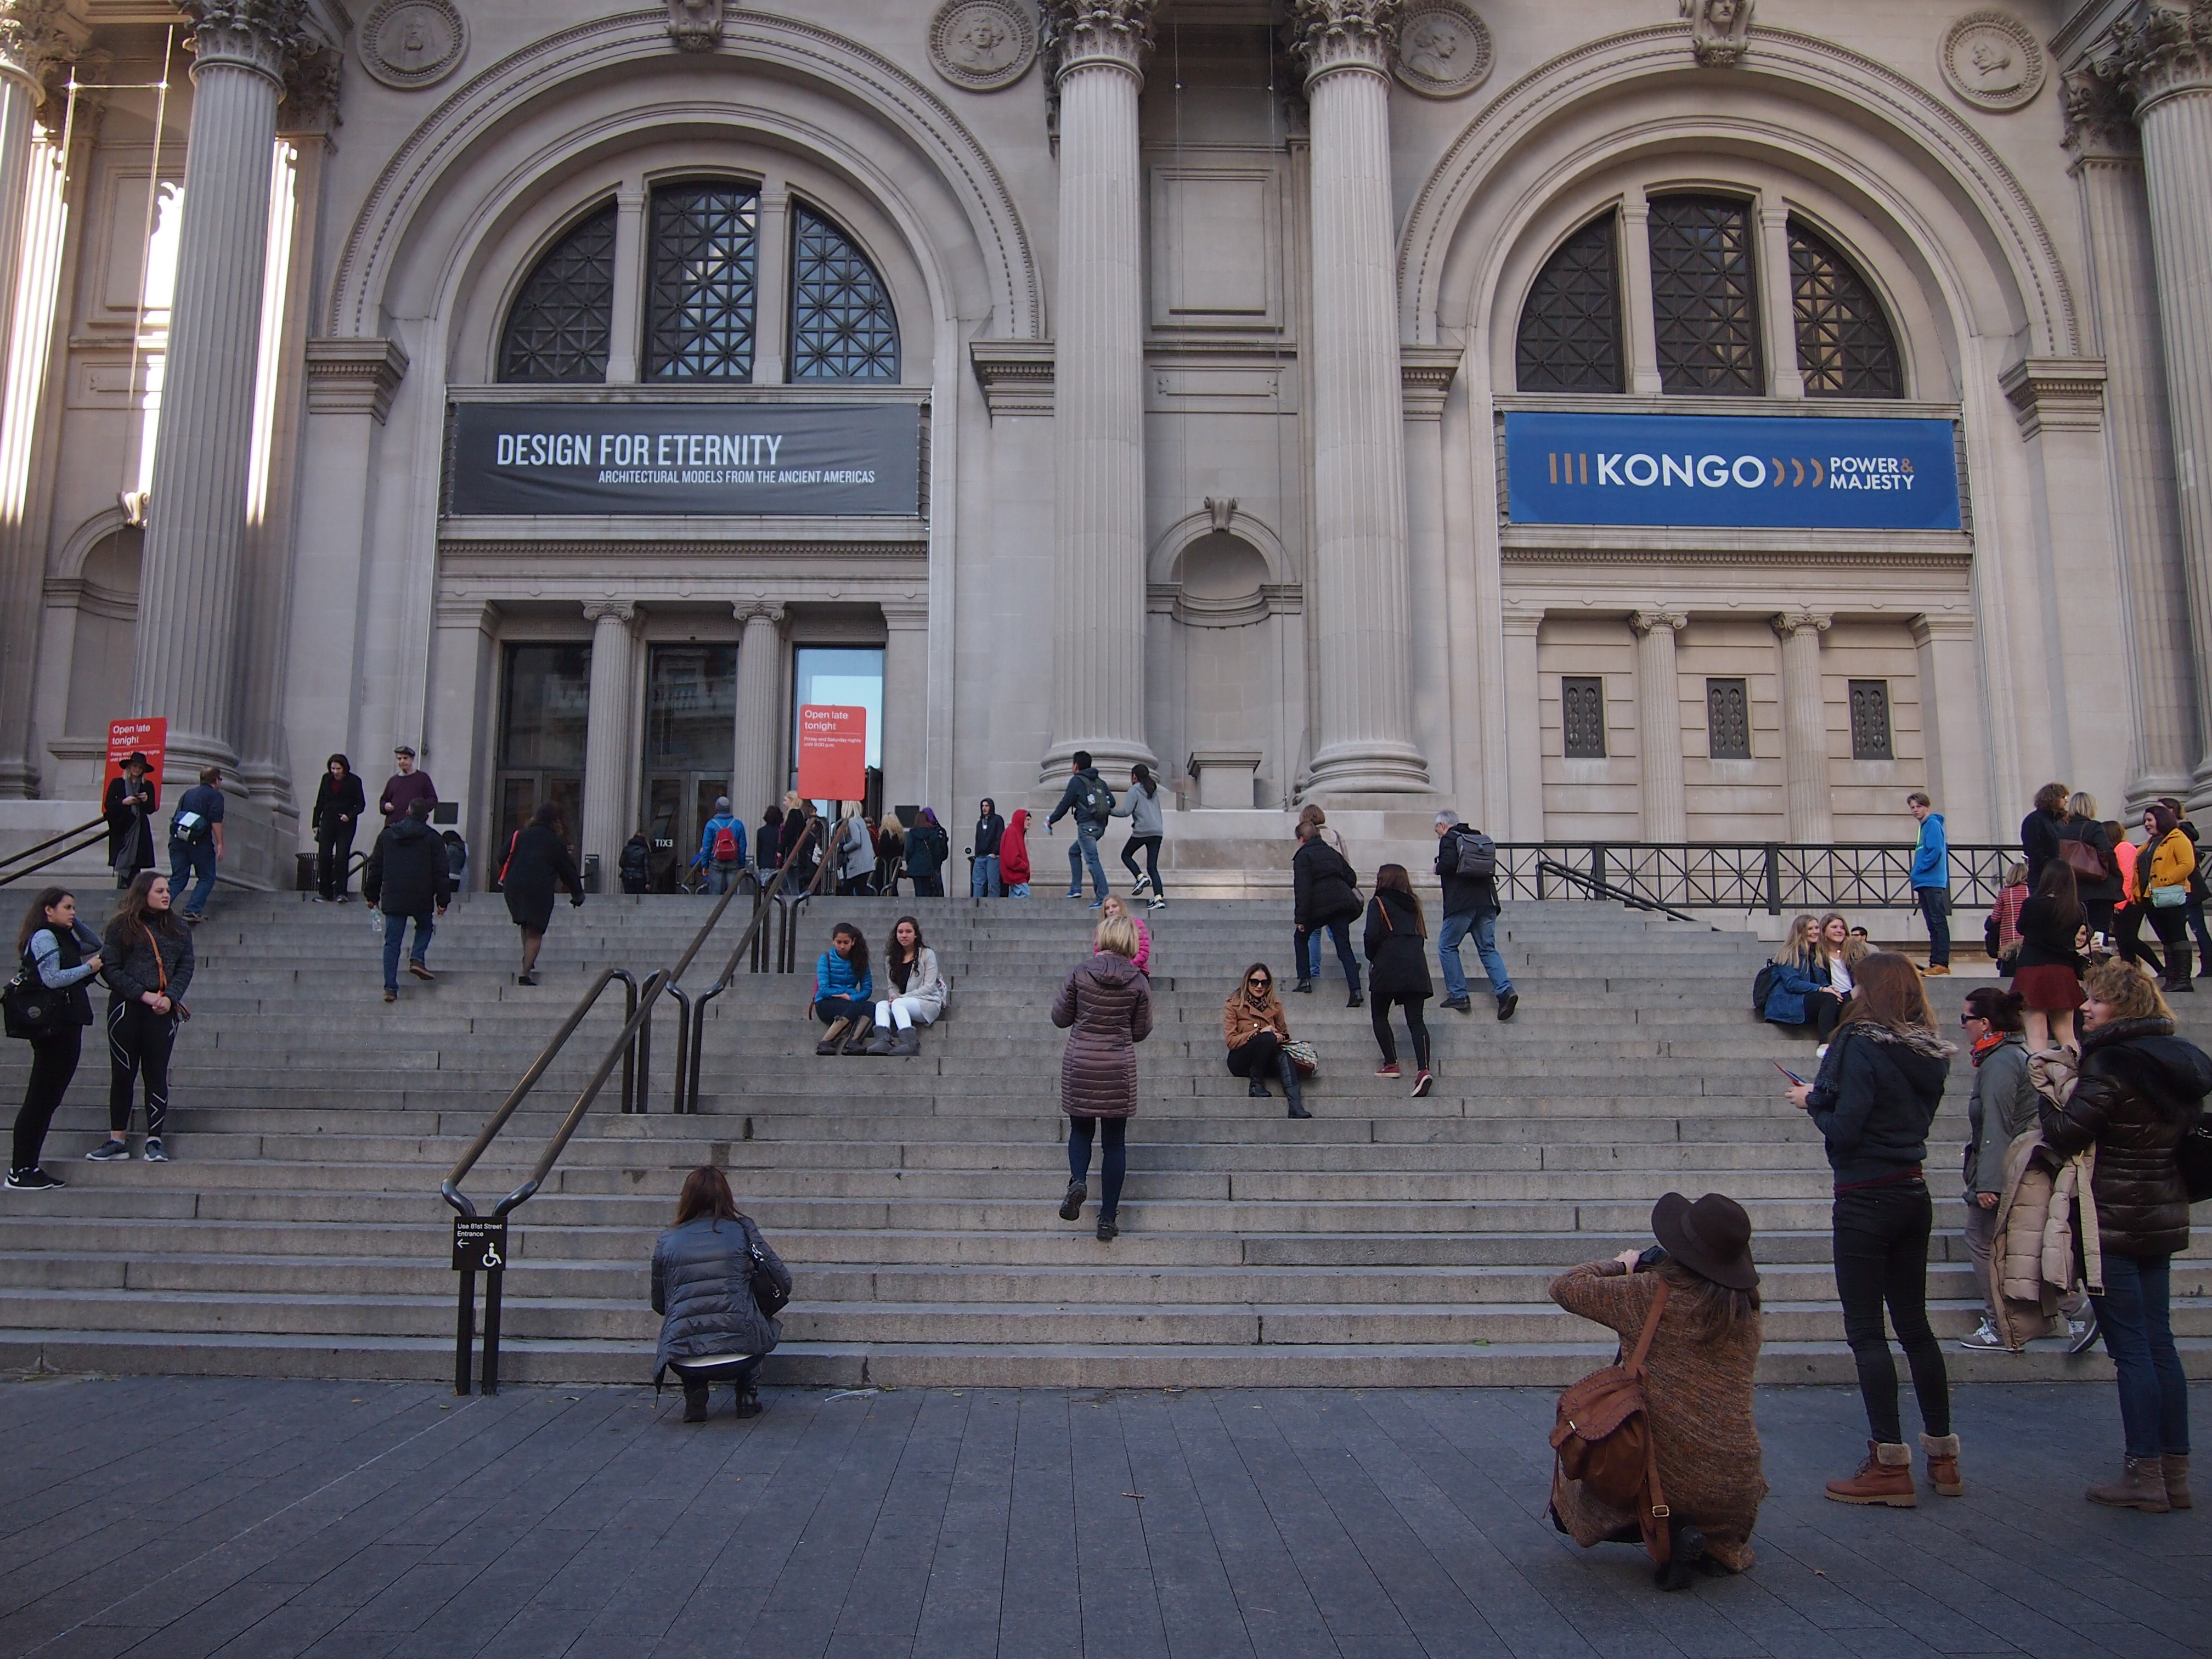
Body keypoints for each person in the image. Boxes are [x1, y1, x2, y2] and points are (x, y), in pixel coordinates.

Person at [1786, 952, 1958, 1507]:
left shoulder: (1859, 1043)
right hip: (1912, 1189)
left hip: (1865, 1195)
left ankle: (1889, 1461)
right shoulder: (1927, 1052)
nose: (1851, 994)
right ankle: (1944, 1456)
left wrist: (1811, 1101)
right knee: (1915, 1325)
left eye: (1857, 987)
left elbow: (1847, 1125)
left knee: (1866, 1331)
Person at [2043, 959, 2207, 1511]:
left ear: (2123, 1007)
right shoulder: (2178, 1060)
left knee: (2132, 1350)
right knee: (2160, 1343)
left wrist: (2049, 1094)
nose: (2085, 1007)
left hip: (2110, 1219)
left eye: (2096, 999)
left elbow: (2067, 1133)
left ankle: (2143, 1474)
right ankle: (2175, 1473)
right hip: (2162, 1213)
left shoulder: (2111, 1062)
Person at [1548, 1192, 1767, 1588]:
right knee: (1699, 1482)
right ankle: (1711, 1542)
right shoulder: (1746, 1312)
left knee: (1576, 1501)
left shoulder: (1649, 1294)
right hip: (1736, 1485)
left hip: (1660, 1474)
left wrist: (1623, 1264)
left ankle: (1672, 1531)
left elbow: (1565, 1287)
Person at [651, 1165, 789, 1422]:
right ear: (726, 1196)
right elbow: (782, 1280)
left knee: (681, 1319)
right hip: (743, 1353)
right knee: (755, 1315)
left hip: (683, 1359)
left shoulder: (667, 1240)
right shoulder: (742, 1230)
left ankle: (694, 1389)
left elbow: (660, 1304)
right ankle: (747, 1393)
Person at [1955, 986, 2046, 1352]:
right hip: (2015, 1164)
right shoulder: (2008, 1055)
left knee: (1981, 1240)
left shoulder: (2001, 1062)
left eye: (1965, 1019)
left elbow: (1997, 1124)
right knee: (2015, 1244)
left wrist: (1988, 1183)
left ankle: (2001, 1323)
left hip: (2005, 1167)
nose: (1962, 1025)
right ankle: (2064, 1311)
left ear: (1985, 1022)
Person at [1054, 915, 1153, 1239]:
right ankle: (1108, 1218)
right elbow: (1141, 1030)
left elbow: (1060, 1017)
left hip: (1081, 1062)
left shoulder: (1080, 973)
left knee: (1081, 1130)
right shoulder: (1138, 981)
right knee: (1114, 1143)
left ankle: (1079, 1181)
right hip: (1117, 1067)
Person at [93, 871, 194, 1165]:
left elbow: (186, 965)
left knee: (156, 1073)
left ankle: (154, 1139)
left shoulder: (179, 927)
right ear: (143, 893)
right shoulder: (121, 927)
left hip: (162, 1008)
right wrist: (142, 995)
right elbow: (110, 968)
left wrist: (170, 997)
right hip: (127, 1008)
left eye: (167, 890)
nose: (166, 895)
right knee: (123, 1073)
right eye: (159, 891)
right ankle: (117, 1140)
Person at [9, 889, 102, 1189]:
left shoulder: (62, 936)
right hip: (53, 1027)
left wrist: (74, 921)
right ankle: (20, 1169)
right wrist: (89, 968)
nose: (73, 912)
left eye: (74, 907)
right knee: (40, 1099)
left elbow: (94, 944)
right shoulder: (44, 937)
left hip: (67, 1023)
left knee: (48, 1100)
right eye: (67, 907)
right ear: (48, 910)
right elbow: (52, 979)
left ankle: (29, 1166)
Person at [364, 798, 453, 1003]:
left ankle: (390, 988)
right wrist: (443, 900)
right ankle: (417, 958)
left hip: (393, 894)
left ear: (407, 813)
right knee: (425, 926)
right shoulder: (433, 838)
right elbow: (441, 872)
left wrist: (371, 895)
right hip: (421, 895)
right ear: (427, 817)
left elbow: (375, 867)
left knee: (392, 942)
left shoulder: (387, 835)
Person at [1433, 812, 1517, 1020]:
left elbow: (1447, 865)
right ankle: (1505, 991)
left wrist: (1437, 867)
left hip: (1462, 903)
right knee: (1488, 948)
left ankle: (1459, 994)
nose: (1438, 836)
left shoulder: (1449, 839)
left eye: (1437, 831)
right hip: (1488, 902)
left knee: (1447, 946)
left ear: (1443, 825)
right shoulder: (1478, 837)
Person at [1364, 865, 1435, 1098]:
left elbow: (1371, 936)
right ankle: (1424, 1069)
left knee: (1379, 1015)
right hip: (1416, 965)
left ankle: (1391, 1063)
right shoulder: (1415, 904)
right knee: (1416, 1020)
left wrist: (1373, 958)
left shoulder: (1378, 902)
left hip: (1387, 964)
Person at [500, 801, 583, 986]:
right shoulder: (555, 841)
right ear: (555, 821)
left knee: (525, 924)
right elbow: (567, 870)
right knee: (535, 931)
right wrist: (577, 893)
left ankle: (528, 958)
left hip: (514, 886)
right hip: (539, 888)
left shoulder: (520, 835)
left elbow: (501, 857)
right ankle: (525, 973)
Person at [2015, 861, 2088, 1051]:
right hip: (2063, 970)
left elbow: (2021, 928)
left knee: (2036, 1034)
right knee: (2067, 1033)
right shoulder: (2076, 909)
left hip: (2032, 969)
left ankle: (2039, 1069)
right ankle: (2075, 1068)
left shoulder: (2032, 904)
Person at [1221, 962, 1308, 1118]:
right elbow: (1231, 1041)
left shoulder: (1275, 1004)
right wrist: (1259, 1032)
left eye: (1264, 982)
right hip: (1241, 1060)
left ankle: (1296, 1106)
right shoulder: (1234, 1004)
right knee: (1266, 1037)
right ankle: (1256, 1085)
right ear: (1247, 982)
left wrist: (1280, 1037)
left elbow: (1285, 1033)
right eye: (1255, 982)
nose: (1259, 986)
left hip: (1267, 1058)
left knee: (1284, 1056)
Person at [1291, 821, 1363, 1006]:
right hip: (1342, 904)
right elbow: (1351, 877)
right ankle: (1356, 991)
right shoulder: (1332, 852)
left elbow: (1303, 890)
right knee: (1344, 946)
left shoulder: (1303, 856)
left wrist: (1301, 918)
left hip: (1319, 907)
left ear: (1302, 839)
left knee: (1301, 937)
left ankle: (1305, 980)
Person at [2131, 802, 2198, 993]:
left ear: (2161, 819)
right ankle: (2172, 977)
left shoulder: (2178, 838)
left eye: (2150, 820)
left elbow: (2187, 864)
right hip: (2150, 898)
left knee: (2176, 936)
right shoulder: (2150, 844)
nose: (2146, 824)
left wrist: (2164, 880)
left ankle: (2183, 979)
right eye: (2145, 821)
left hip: (2169, 896)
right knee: (2166, 939)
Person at [864, 916, 947, 1057]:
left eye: (908, 932)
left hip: (927, 1002)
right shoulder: (891, 959)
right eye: (900, 932)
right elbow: (892, 987)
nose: (904, 935)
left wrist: (901, 998)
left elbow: (929, 987)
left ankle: (910, 1044)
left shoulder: (927, 955)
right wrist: (894, 997)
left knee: (898, 1004)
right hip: (902, 1002)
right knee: (881, 1005)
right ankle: (883, 1041)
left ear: (916, 935)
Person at [1046, 750, 1114, 905]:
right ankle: (1076, 888)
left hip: (1086, 828)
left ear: (1076, 766)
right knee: (1074, 852)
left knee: (1092, 861)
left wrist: (1051, 819)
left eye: (1072, 764)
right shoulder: (1100, 782)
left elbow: (1065, 804)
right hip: (1100, 827)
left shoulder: (1076, 781)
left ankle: (1103, 898)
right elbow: (1113, 802)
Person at [1761, 914, 1841, 1039]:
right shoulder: (1789, 954)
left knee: (1844, 999)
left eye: (1817, 928)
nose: (1815, 932)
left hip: (1807, 999)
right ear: (1800, 932)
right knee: (1829, 999)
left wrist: (1829, 987)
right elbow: (1792, 984)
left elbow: (1822, 980)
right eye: (1810, 929)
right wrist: (1821, 989)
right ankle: (1825, 1042)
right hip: (1788, 1002)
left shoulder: (1815, 954)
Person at [163, 765, 225, 923]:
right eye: (220, 779)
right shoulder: (216, 796)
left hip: (178, 840)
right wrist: (220, 844)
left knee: (178, 878)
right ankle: (192, 909)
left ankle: (158, 908)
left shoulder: (188, 794)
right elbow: (216, 820)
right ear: (216, 780)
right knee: (207, 877)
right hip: (200, 843)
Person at [2059, 793, 2121, 944]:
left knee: (2077, 932)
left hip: (2074, 889)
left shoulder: (2062, 830)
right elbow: (2106, 852)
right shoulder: (2094, 827)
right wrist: (2115, 874)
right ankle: (2098, 957)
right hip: (2098, 889)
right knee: (2099, 931)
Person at [811, 922, 874, 1054]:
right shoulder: (826, 958)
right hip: (825, 1003)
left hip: (849, 1002)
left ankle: (853, 1043)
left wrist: (851, 997)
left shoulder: (860, 959)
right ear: (833, 941)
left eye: (846, 942)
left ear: (853, 942)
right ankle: (826, 1042)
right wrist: (847, 994)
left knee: (871, 1007)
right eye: (838, 942)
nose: (842, 946)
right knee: (855, 1007)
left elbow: (867, 989)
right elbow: (824, 990)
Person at [311, 754, 366, 902]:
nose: (335, 772)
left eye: (338, 769)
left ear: (345, 768)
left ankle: (341, 892)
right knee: (324, 856)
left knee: (342, 856)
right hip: (328, 821)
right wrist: (315, 824)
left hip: (345, 823)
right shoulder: (326, 779)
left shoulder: (354, 781)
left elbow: (361, 805)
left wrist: (349, 815)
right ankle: (325, 892)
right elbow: (320, 802)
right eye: (333, 769)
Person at [1907, 792, 1950, 976]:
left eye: (1918, 806)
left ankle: (1941, 962)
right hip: (1925, 881)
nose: (1915, 810)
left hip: (1931, 880)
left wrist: (1919, 870)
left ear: (1927, 807)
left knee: (1937, 921)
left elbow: (1935, 851)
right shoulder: (1925, 826)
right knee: (1932, 923)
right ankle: (1935, 962)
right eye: (1912, 807)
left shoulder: (1932, 824)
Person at [1112, 764, 1166, 911]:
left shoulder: (1134, 790)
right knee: (1152, 867)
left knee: (1126, 855)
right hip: (1157, 831)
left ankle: (1140, 877)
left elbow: (1126, 811)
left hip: (1143, 831)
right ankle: (1158, 899)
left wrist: (1108, 811)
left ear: (1134, 777)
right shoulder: (1153, 789)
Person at [101, 752, 157, 889]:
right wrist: (124, 802)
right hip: (122, 826)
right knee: (122, 857)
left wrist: (146, 800)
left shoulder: (147, 785)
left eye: (140, 768)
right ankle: (122, 885)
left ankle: (134, 889)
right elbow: (108, 804)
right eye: (135, 766)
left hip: (139, 827)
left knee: (137, 861)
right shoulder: (117, 783)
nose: (137, 770)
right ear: (129, 767)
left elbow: (151, 809)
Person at [2020, 780, 2069, 891]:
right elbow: (2033, 850)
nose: (2066, 801)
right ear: (2053, 799)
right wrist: (2052, 866)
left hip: (2060, 875)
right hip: (2042, 877)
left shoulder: (2059, 821)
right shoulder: (2034, 820)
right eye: (2064, 797)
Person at [378, 745, 437, 828]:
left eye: (405, 758)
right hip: (394, 826)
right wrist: (385, 806)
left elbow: (433, 799)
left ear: (412, 759)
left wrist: (420, 809)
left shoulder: (423, 778)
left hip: (415, 825)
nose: (402, 761)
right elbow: (383, 800)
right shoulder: (393, 781)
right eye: (399, 759)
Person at [697, 797, 746, 895]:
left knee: (715, 893)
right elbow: (742, 847)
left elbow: (707, 847)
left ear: (717, 808)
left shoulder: (711, 824)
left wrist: (705, 865)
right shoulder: (738, 824)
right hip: (733, 862)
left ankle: (717, 905)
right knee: (732, 893)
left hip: (716, 861)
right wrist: (742, 864)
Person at [1987, 860, 2028, 974]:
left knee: (2008, 974)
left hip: (2008, 942)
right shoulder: (2031, 892)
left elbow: (1995, 918)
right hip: (2026, 941)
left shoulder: (2004, 893)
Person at [1098, 895, 1150, 974]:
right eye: (1107, 908)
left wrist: (1127, 966)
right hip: (1110, 970)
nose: (1111, 911)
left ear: (1121, 907)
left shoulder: (1136, 924)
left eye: (1115, 906)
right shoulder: (1102, 928)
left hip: (1136, 969)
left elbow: (1144, 951)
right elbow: (1098, 952)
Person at [904, 808, 950, 898]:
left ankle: (919, 906)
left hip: (915, 864)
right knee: (927, 891)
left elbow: (909, 849)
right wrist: (935, 864)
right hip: (928, 864)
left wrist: (908, 861)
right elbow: (937, 851)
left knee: (918, 890)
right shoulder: (933, 833)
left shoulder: (912, 833)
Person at [1820, 914, 1865, 1000]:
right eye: (1834, 927)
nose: (1839, 931)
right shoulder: (1817, 954)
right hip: (1831, 998)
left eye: (1842, 928)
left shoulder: (1856, 951)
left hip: (1855, 997)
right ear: (1824, 930)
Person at [836, 809, 876, 898]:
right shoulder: (860, 821)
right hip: (865, 863)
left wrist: (844, 848)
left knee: (849, 889)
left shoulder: (852, 822)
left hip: (857, 864)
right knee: (860, 889)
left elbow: (857, 841)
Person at [971, 798, 1005, 898]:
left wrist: (995, 852)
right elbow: (978, 839)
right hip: (980, 857)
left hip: (992, 857)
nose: (984, 808)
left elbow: (1000, 836)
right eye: (983, 806)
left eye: (987, 806)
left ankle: (993, 904)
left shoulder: (997, 820)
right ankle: (976, 904)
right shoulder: (980, 823)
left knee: (993, 884)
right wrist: (977, 854)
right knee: (977, 883)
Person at [1000, 806, 1032, 897]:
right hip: (1016, 875)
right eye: (1027, 819)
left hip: (1016, 874)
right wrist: (1025, 866)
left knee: (1015, 898)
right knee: (1025, 895)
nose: (1030, 822)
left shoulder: (1016, 832)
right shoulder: (1012, 832)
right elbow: (1012, 859)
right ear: (1021, 819)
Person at [619, 831, 652, 895]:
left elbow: (621, 863)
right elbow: (646, 867)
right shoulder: (644, 850)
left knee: (629, 897)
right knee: (640, 898)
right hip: (640, 878)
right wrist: (648, 882)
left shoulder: (626, 849)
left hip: (627, 876)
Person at [756, 804, 783, 882]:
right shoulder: (781, 832)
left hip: (765, 863)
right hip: (778, 864)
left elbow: (759, 849)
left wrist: (759, 864)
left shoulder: (761, 831)